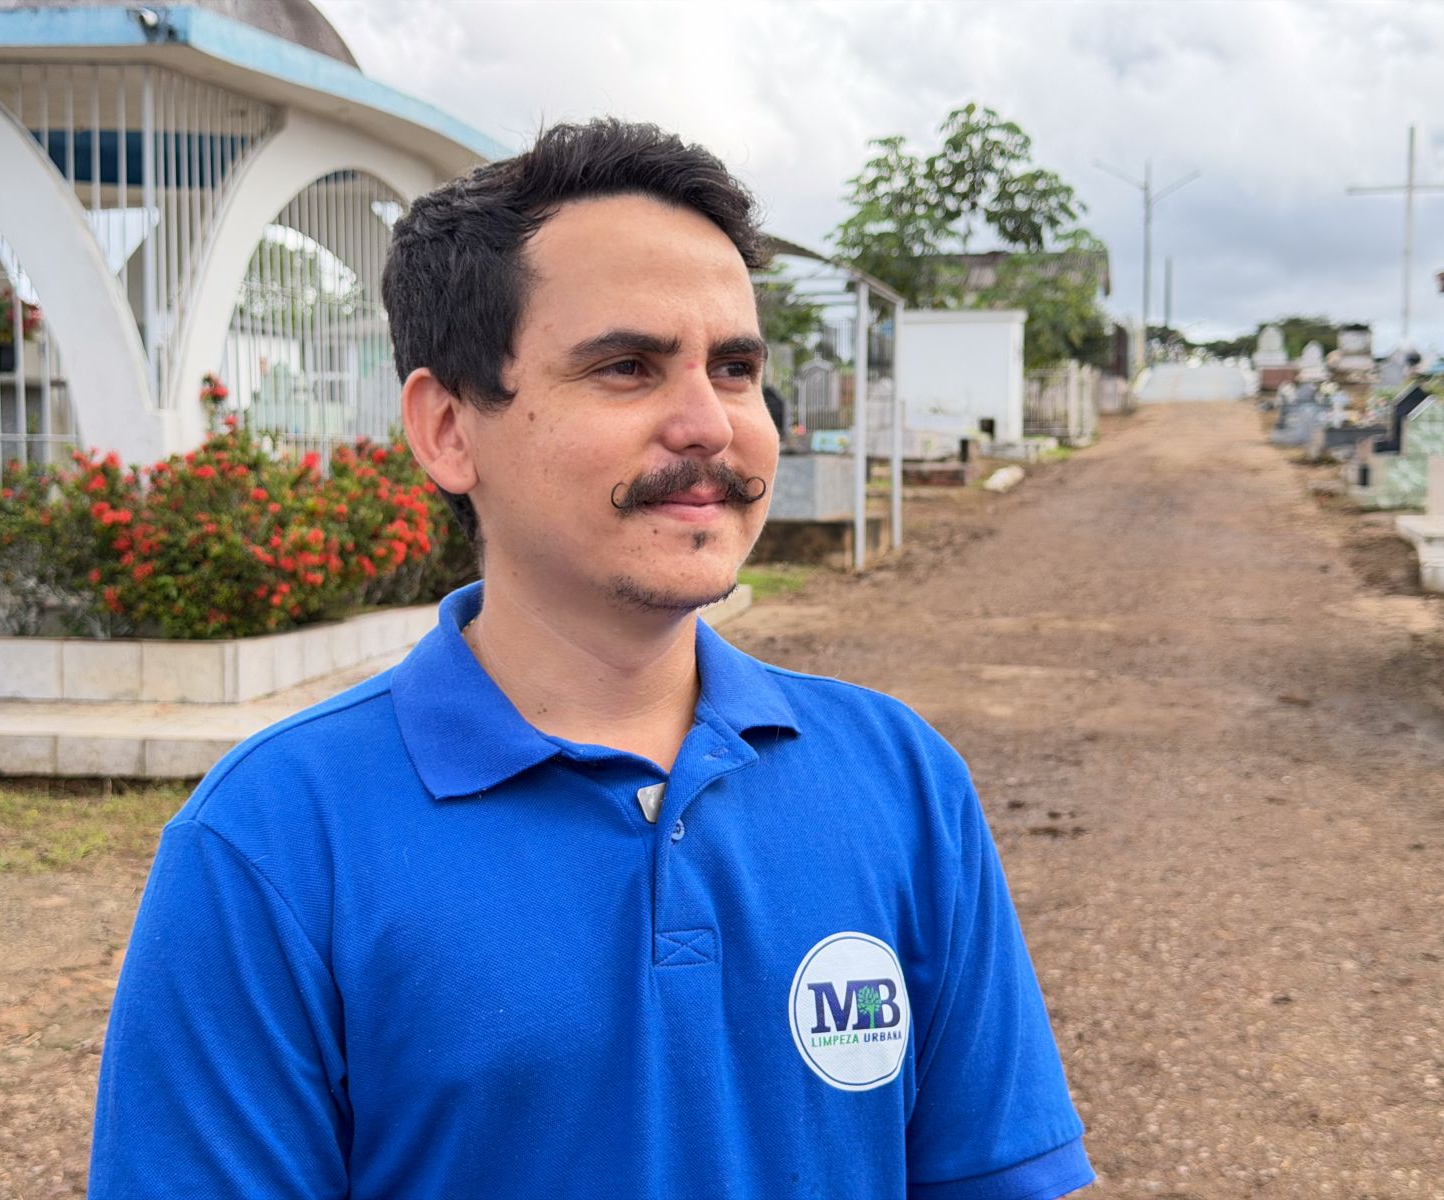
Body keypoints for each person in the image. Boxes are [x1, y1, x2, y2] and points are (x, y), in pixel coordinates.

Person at [88, 119, 1093, 1200]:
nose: (709, 425)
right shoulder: (274, 843)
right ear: (447, 429)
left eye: (736, 368)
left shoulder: (898, 781)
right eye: (626, 367)